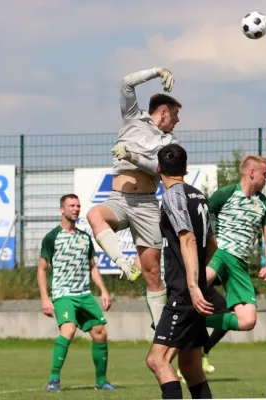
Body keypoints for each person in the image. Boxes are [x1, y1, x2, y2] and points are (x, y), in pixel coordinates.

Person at [86, 66, 178, 329]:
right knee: (94, 215)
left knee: (152, 273)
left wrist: (132, 156)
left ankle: (162, 331)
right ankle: (123, 264)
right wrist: (157, 71)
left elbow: (158, 168)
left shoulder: (170, 141)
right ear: (163, 112)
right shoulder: (132, 117)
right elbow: (127, 83)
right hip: (119, 200)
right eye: (175, 114)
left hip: (148, 204)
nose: (177, 120)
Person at [176, 156, 266, 383]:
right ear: (251, 172)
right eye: (264, 173)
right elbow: (200, 219)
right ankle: (174, 320)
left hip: (240, 264)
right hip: (220, 255)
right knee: (194, 289)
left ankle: (193, 322)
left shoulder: (264, 203)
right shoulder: (225, 194)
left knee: (248, 321)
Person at [146, 143, 229, 400]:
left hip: (184, 292)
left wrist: (192, 286)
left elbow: (188, 239)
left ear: (159, 168)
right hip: (196, 289)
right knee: (190, 366)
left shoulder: (173, 196)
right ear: (185, 167)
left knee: (157, 360)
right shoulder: (199, 197)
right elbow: (212, 245)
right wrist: (203, 282)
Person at [39, 194, 114, 392]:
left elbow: (92, 267)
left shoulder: (84, 238)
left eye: (78, 205)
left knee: (100, 333)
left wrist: (104, 291)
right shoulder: (52, 237)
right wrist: (45, 298)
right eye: (71, 205)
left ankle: (101, 382)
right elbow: (42, 269)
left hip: (84, 294)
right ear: (62, 210)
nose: (76, 208)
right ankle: (53, 380)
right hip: (63, 293)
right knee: (69, 330)